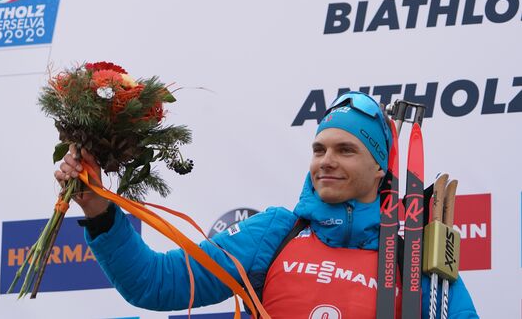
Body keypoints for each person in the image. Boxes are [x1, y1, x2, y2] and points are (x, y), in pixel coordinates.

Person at [56, 91, 479, 318]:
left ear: (380, 169)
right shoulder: (277, 232)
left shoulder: (411, 254)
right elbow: (154, 283)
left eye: (346, 150)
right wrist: (98, 209)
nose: (326, 161)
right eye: (319, 149)